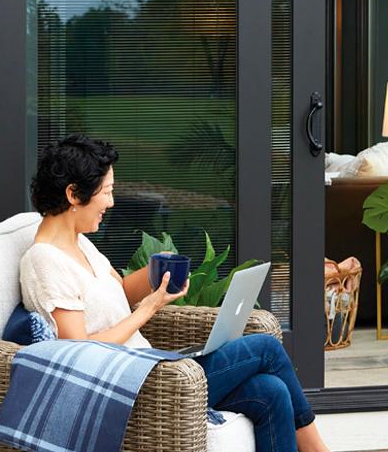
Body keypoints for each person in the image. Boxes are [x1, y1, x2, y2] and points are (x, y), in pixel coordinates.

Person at [19, 134, 331, 452]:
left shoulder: (80, 242)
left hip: (148, 367)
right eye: (107, 192)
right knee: (264, 348)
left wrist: (156, 271)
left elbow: (119, 292)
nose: (111, 203)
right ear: (74, 194)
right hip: (127, 389)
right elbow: (78, 350)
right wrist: (148, 310)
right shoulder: (45, 260)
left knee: (270, 391)